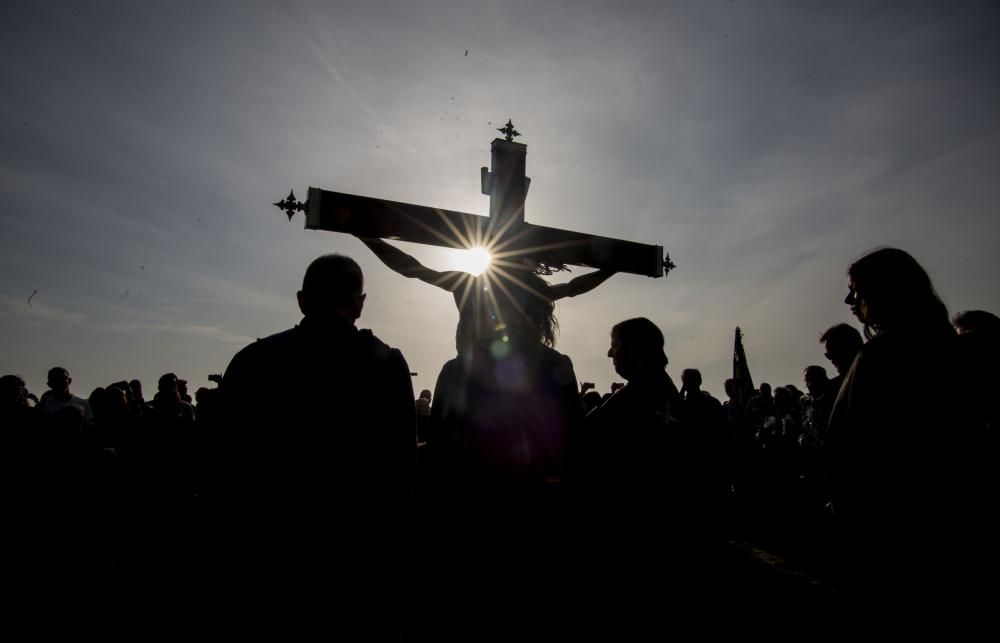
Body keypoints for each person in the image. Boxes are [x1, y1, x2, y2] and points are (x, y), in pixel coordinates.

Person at [213, 254, 416, 634]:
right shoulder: (386, 364)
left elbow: (224, 462)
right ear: (359, 303)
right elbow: (401, 469)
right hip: (358, 552)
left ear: (302, 300)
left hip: (271, 548)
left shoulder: (252, 361)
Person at [417, 268, 584, 639]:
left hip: (477, 516)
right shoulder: (557, 365)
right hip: (534, 512)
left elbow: (440, 452)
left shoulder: (458, 369)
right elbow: (574, 447)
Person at [825, 247, 988, 617]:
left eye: (856, 289)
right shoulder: (953, 350)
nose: (850, 299)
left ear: (882, 291)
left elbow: (849, 447)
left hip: (896, 529)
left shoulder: (881, 358)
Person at [358, 236, 616, 352]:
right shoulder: (471, 285)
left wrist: (611, 270)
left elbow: (413, 269)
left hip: (494, 377)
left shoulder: (469, 285)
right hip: (486, 376)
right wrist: (369, 238)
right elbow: (412, 269)